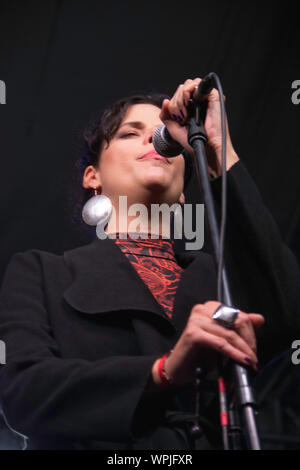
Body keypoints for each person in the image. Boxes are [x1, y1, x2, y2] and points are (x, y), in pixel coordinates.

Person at [0, 78, 299, 450]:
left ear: (184, 192)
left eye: (165, 136)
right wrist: (163, 372)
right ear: (92, 176)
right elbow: (22, 392)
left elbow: (285, 309)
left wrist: (217, 149)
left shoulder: (217, 275)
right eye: (130, 133)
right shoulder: (43, 272)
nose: (154, 140)